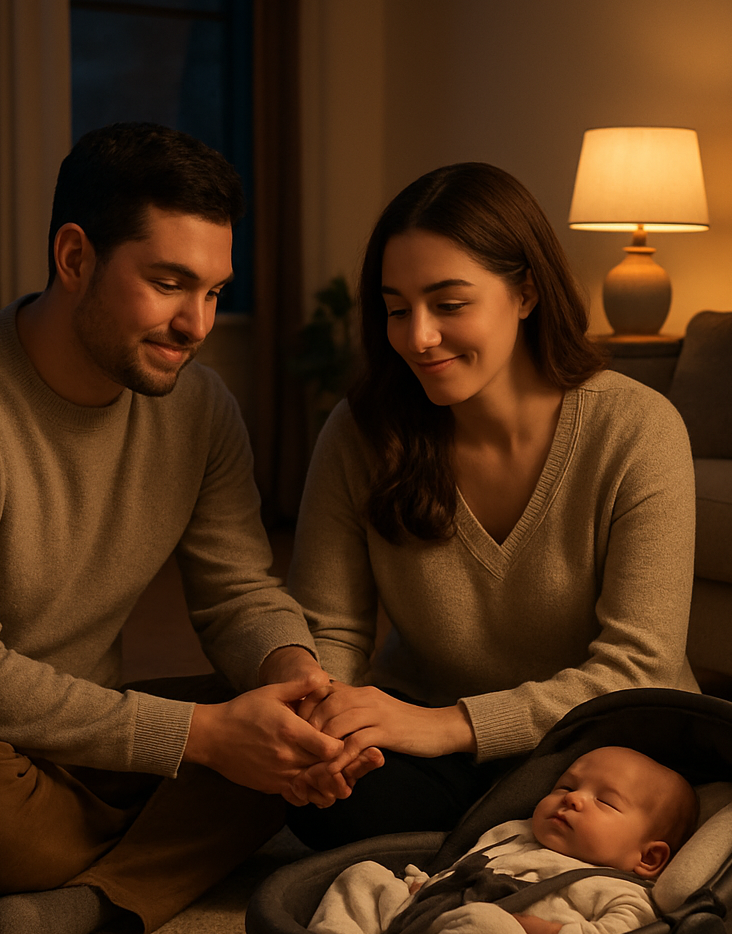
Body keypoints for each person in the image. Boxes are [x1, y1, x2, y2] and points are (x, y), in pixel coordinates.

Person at [0, 123, 375, 934]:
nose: (196, 325)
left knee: (293, 743)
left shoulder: (200, 406)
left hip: (81, 729)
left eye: (215, 291)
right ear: (74, 257)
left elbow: (238, 592)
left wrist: (298, 680)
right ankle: (145, 856)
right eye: (168, 284)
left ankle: (75, 902)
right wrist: (202, 739)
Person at [285, 162, 698, 846]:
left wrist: (452, 723)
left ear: (527, 293)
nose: (417, 337)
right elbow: (330, 626)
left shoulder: (637, 428)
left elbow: (638, 670)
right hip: (430, 741)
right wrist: (329, 728)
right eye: (396, 308)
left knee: (627, 814)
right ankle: (502, 840)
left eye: (449, 304)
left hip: (596, 750)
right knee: (328, 801)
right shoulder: (360, 432)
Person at [308, 746, 699, 934]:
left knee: (490, 928)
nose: (574, 799)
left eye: (606, 802)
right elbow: (464, 869)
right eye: (565, 786)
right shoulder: (513, 832)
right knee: (364, 874)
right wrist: (424, 887)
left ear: (647, 858)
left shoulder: (615, 887)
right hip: (420, 917)